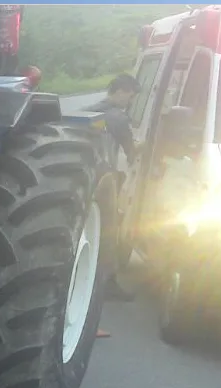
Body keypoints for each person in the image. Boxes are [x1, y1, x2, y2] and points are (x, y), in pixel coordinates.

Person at [87, 73, 142, 302]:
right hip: (106, 182)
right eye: (129, 97)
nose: (129, 102)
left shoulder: (89, 110)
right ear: (120, 91)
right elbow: (131, 151)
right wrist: (150, 146)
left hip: (84, 178)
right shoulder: (117, 118)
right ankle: (107, 283)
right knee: (109, 234)